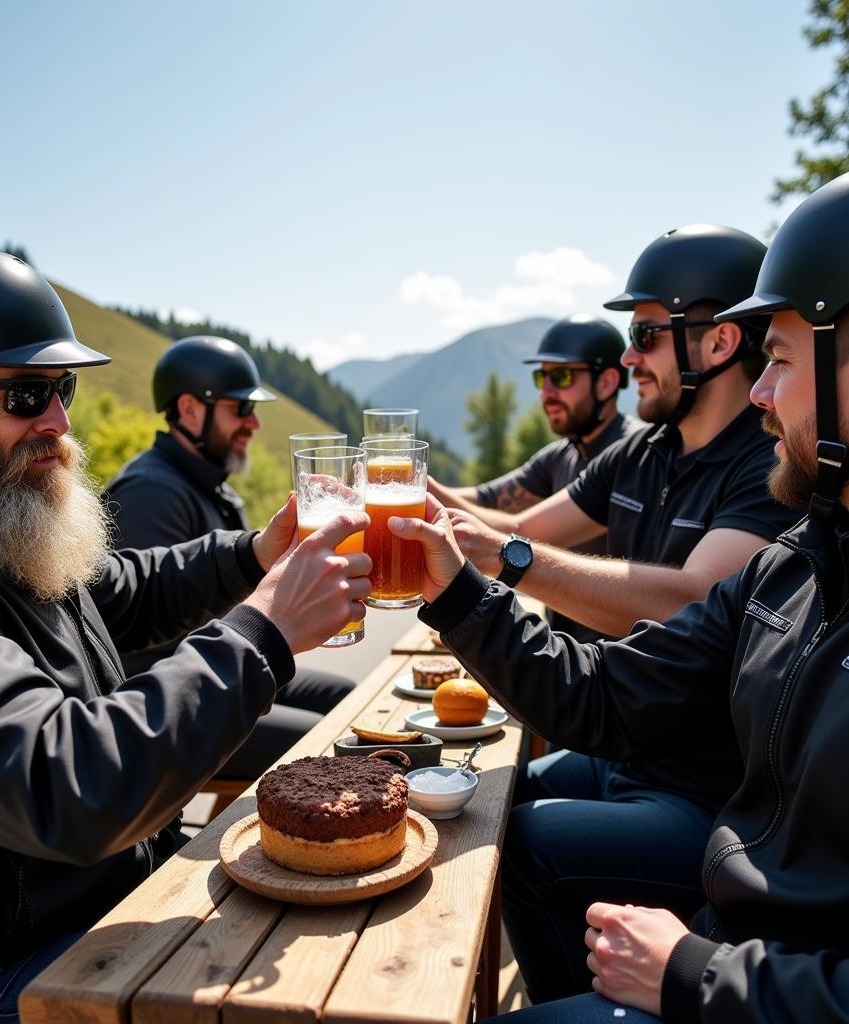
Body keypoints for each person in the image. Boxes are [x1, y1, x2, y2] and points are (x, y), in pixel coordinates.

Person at [0, 246, 370, 1024]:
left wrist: (257, 553)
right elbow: (66, 786)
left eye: (62, 388)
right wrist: (266, 631)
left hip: (89, 918)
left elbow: (131, 587)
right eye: (22, 395)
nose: (57, 421)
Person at [394, 169, 849, 1024]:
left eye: (779, 361)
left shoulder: (769, 496)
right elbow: (608, 692)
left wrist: (691, 975)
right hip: (727, 937)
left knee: (512, 828)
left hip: (727, 937)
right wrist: (453, 584)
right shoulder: (800, 560)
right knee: (500, 808)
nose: (760, 392)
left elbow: (676, 596)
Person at [104, 336, 356, 780]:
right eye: (240, 408)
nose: (255, 422)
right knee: (325, 738)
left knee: (346, 698)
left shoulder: (207, 485)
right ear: (189, 410)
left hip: (225, 667)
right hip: (173, 702)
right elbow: (145, 638)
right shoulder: (151, 492)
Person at [430, 313, 638, 643]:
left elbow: (517, 530)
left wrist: (421, 487)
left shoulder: (633, 456)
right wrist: (418, 483)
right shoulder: (561, 455)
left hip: (615, 650)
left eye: (563, 377)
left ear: (607, 383)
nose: (547, 392)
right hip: (565, 644)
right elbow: (484, 500)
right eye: (542, 378)